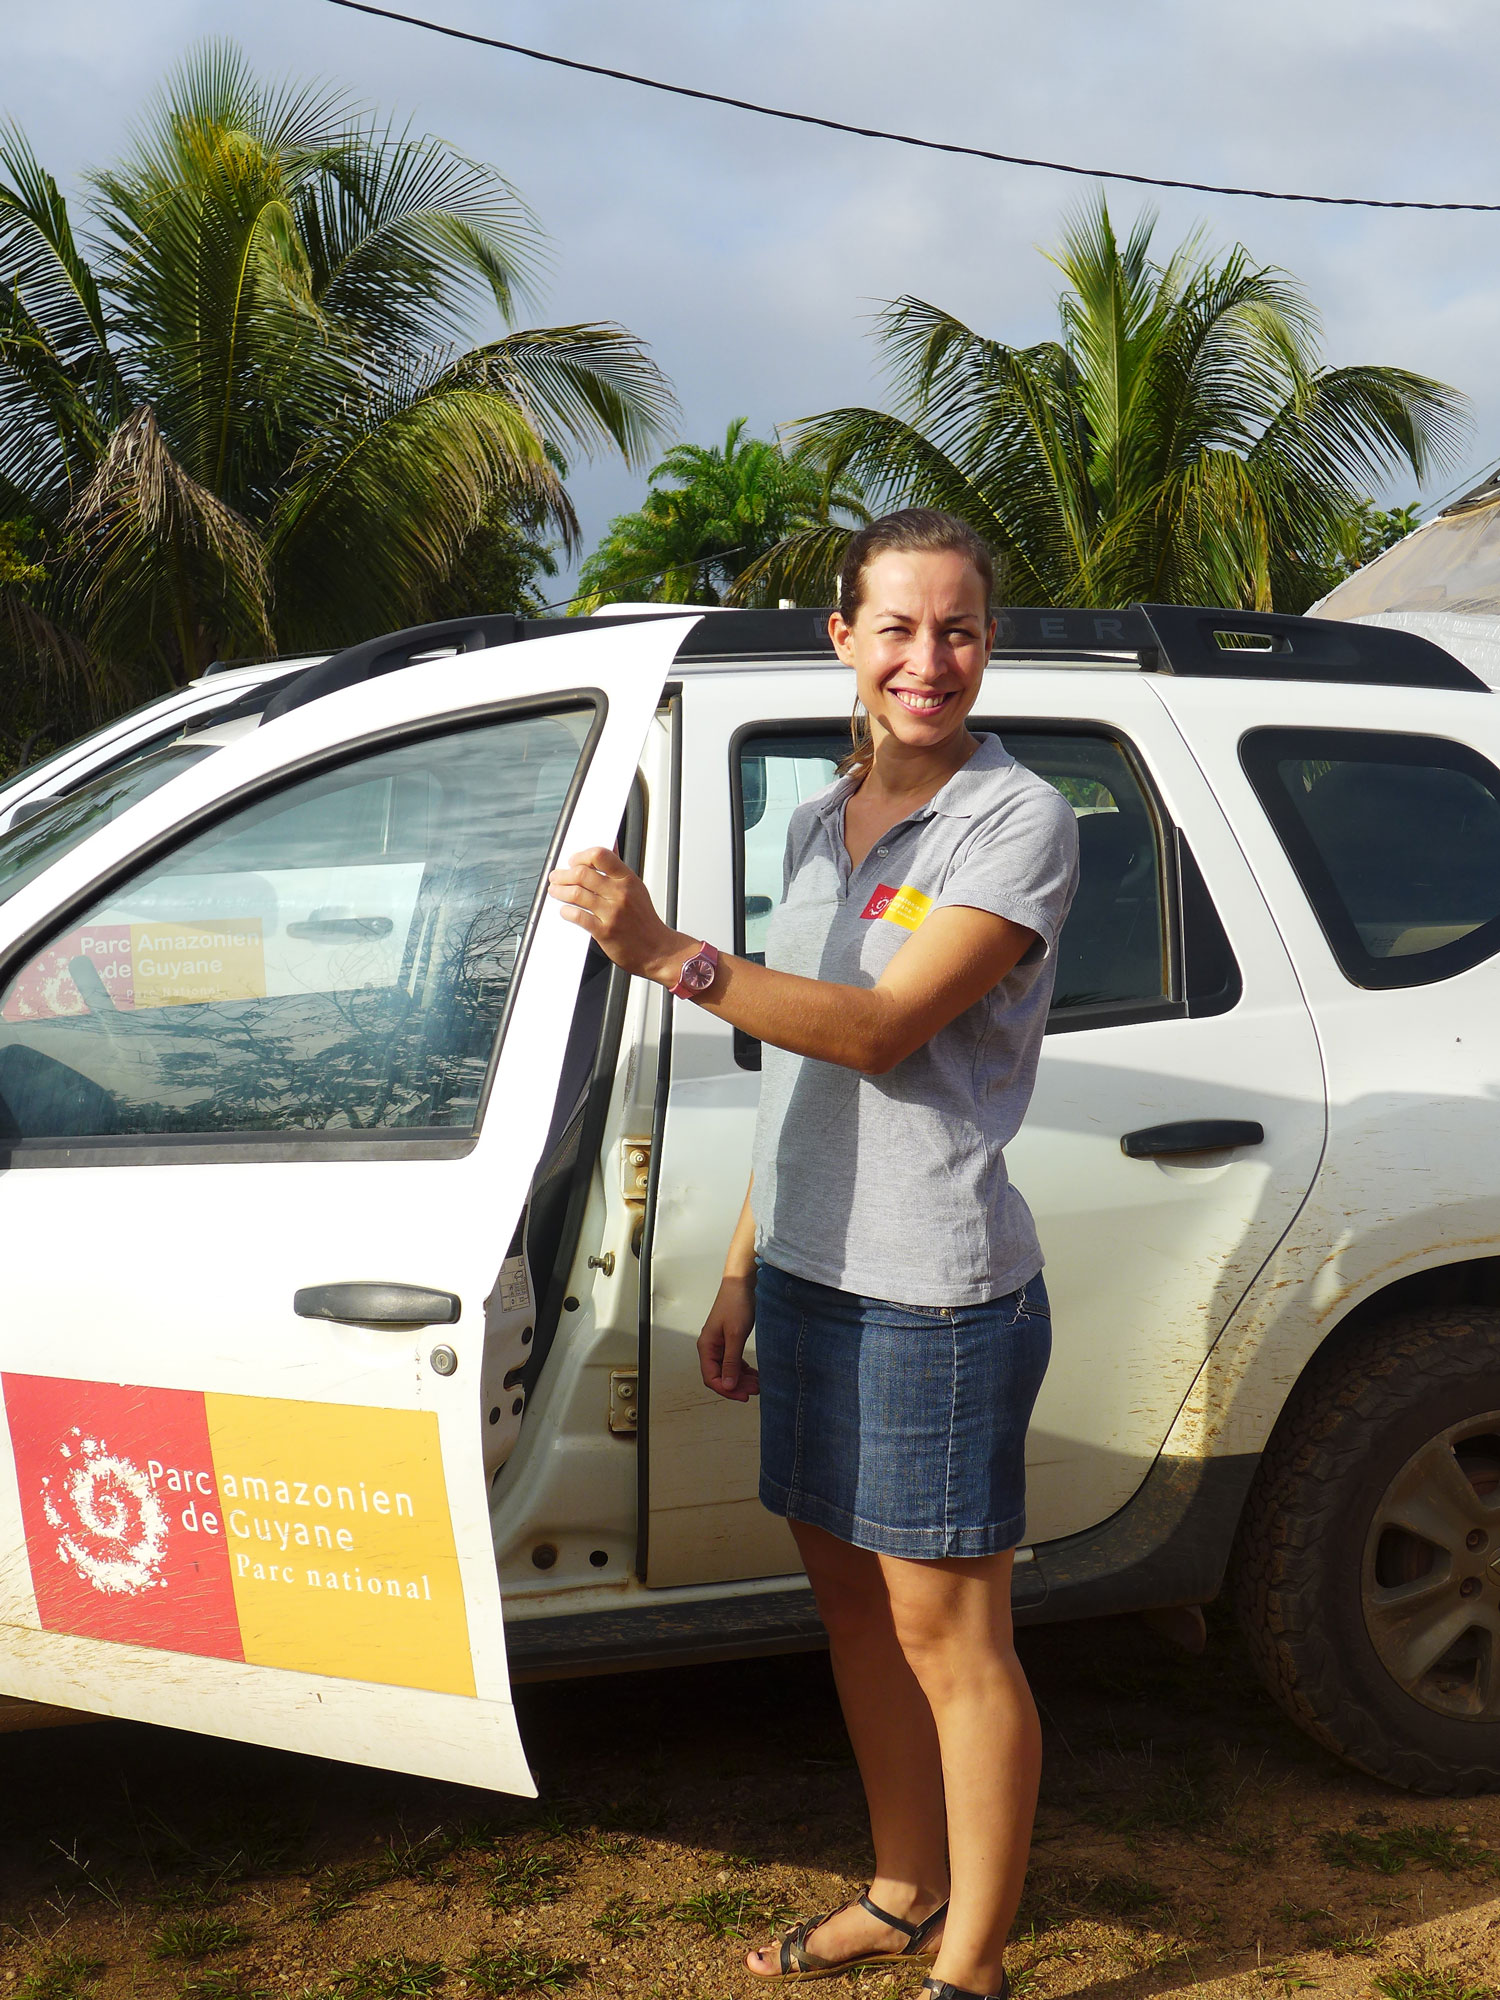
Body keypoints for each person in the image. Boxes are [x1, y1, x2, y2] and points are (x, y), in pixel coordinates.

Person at [546, 507, 1079, 2000]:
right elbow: (806, 1076)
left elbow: (883, 1028)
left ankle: (969, 1962)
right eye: (898, 627)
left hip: (936, 1295)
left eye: (960, 627)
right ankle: (906, 1892)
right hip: (814, 1278)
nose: (931, 659)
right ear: (840, 636)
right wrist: (741, 1267)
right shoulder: (808, 821)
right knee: (851, 1609)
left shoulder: (1016, 821)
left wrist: (669, 955)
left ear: (991, 643)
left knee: (951, 1631)